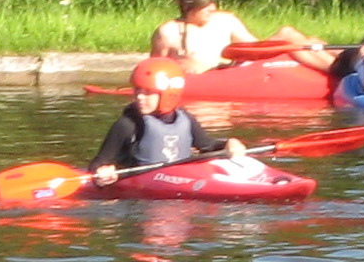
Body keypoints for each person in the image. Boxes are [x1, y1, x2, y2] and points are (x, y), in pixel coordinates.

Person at [90, 57, 247, 184]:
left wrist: (229, 143)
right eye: (137, 90)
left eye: (148, 92)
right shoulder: (127, 124)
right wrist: (103, 172)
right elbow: (98, 163)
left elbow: (208, 146)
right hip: (139, 189)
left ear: (168, 94)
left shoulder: (185, 119)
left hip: (180, 181)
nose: (140, 97)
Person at [149, 0, 334, 75]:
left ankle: (342, 65)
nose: (212, 8)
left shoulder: (225, 20)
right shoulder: (168, 33)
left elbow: (254, 47)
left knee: (293, 35)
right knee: (290, 35)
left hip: (239, 70)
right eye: (204, 5)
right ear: (186, 6)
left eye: (213, 2)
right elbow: (154, 70)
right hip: (211, 79)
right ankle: (338, 68)